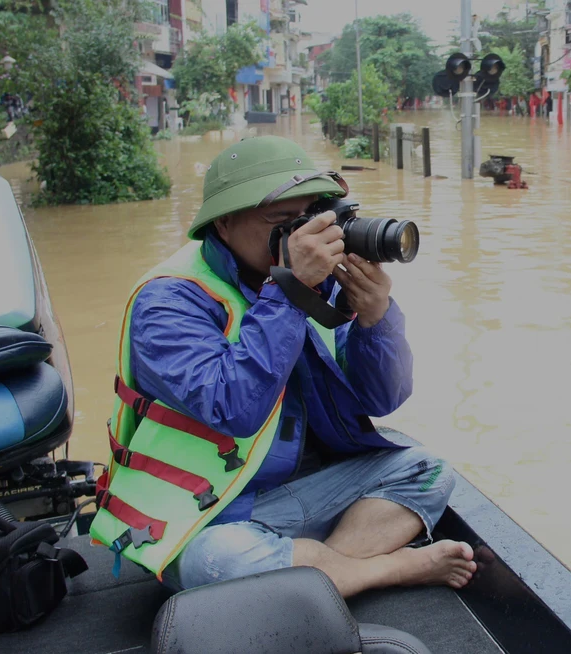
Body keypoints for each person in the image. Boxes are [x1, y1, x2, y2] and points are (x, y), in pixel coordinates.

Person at [89, 136, 476, 598]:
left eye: (308, 217)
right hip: (204, 510)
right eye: (281, 222)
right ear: (225, 224)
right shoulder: (169, 299)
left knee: (428, 470)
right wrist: (290, 290)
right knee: (220, 561)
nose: (301, 236)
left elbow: (382, 399)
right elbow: (233, 408)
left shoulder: (321, 280)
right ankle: (387, 569)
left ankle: (314, 573)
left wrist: (377, 318)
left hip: (305, 491)